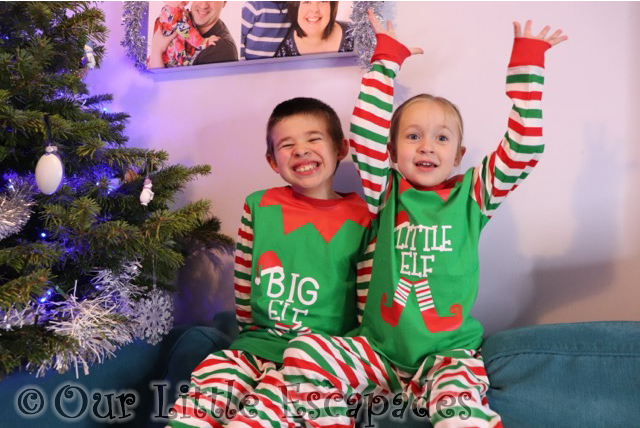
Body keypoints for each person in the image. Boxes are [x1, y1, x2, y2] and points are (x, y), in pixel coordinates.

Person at [225, 11, 568, 428]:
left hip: (446, 354)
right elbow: (365, 132)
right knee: (304, 352)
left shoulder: (473, 195)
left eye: (441, 137)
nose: (427, 146)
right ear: (393, 150)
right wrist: (386, 60)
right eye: (412, 136)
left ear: (459, 156)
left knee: (462, 410)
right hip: (376, 352)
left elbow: (524, 148)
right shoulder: (386, 192)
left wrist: (527, 68)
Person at [166, 97, 372, 427]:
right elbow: (244, 283)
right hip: (256, 345)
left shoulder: (363, 218)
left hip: (318, 359)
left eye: (313, 139)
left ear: (340, 148)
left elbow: (366, 304)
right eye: (287, 145)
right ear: (272, 161)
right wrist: (249, 338)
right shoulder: (260, 206)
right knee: (204, 394)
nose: (301, 151)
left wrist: (341, 362)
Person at [149, 1, 237, 68]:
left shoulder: (221, 49)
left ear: (224, 2)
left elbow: (171, 89)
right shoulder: (180, 16)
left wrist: (157, 50)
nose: (203, 5)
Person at [275, 1, 353, 57]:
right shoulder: (279, 45)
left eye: (322, 1)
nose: (314, 9)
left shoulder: (357, 36)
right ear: (295, 6)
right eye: (307, 2)